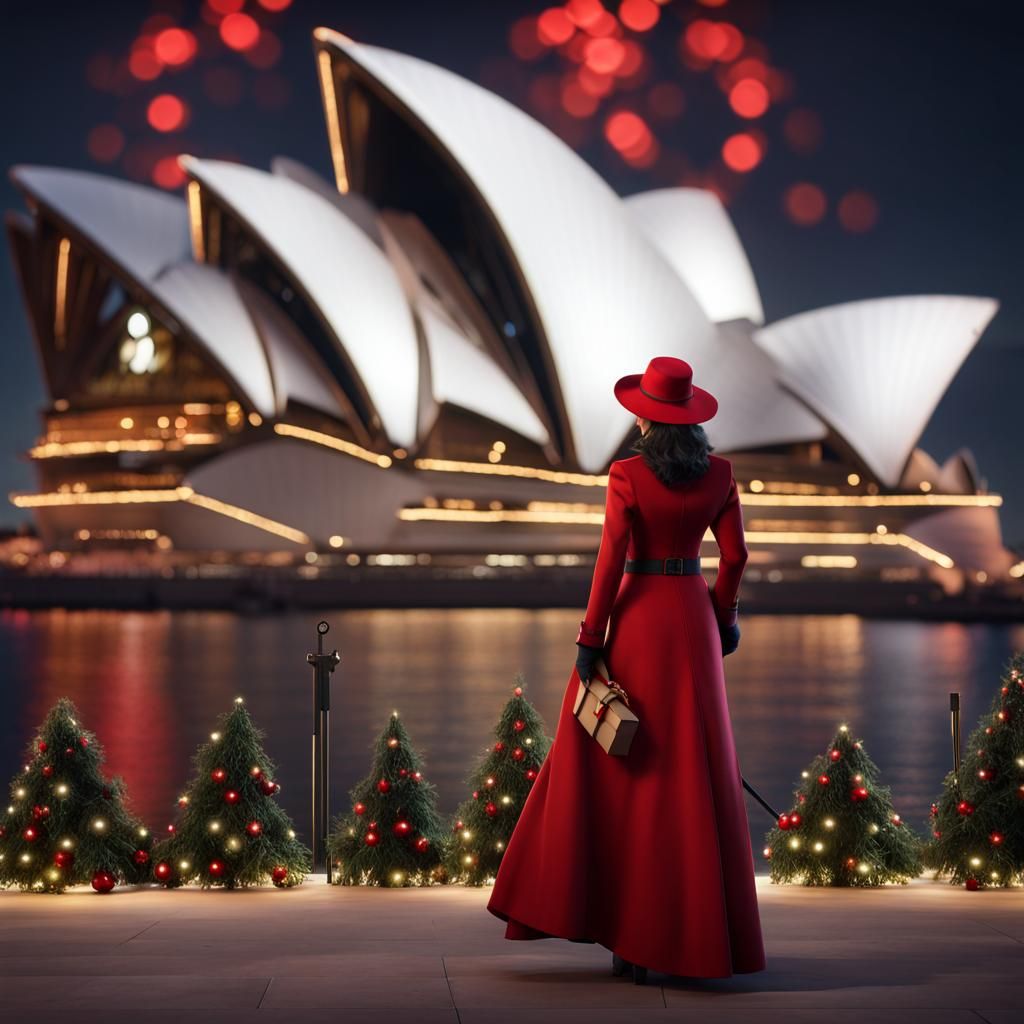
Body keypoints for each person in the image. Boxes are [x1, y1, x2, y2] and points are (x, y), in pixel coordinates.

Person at [486, 355, 767, 983]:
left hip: (636, 622)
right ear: (693, 420)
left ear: (646, 418)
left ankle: (622, 931)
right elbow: (736, 556)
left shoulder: (628, 475)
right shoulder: (720, 474)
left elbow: (609, 563)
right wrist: (723, 617)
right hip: (691, 621)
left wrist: (590, 640)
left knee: (616, 765)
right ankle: (687, 934)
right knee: (690, 768)